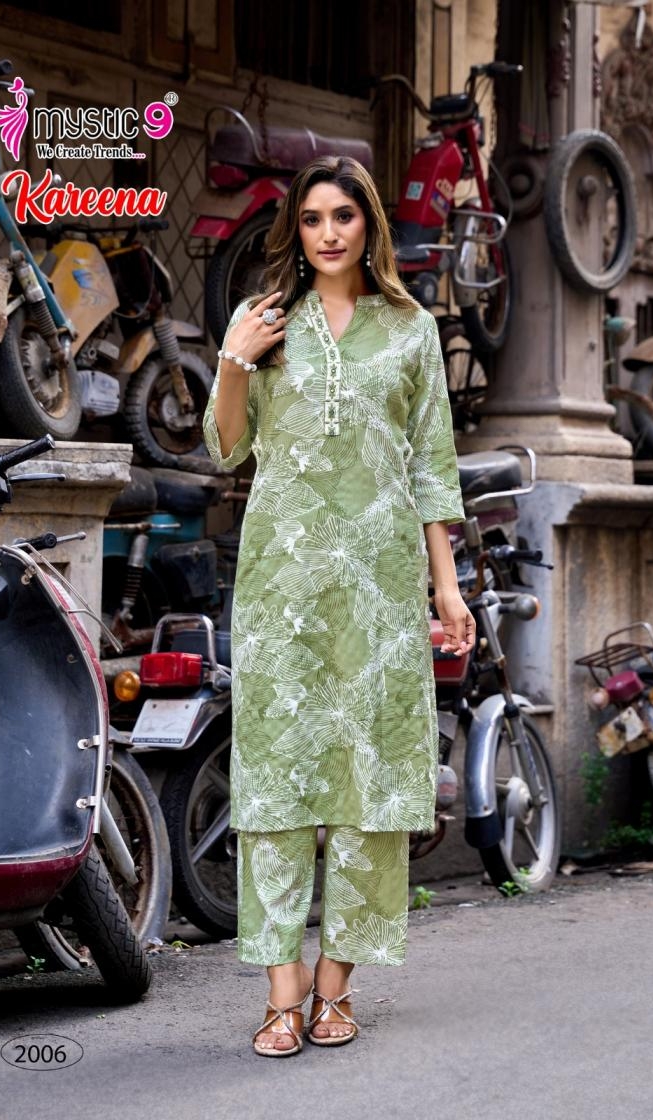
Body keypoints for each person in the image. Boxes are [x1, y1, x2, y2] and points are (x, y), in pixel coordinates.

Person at [203, 155, 474, 1058]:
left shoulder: (411, 329)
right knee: (277, 780)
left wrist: (445, 584)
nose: (327, 233)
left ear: (369, 228)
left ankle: (335, 985)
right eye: (313, 218)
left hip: (381, 587)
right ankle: (281, 990)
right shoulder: (265, 320)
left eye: (343, 217)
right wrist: (235, 361)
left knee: (372, 782)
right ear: (297, 229)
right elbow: (226, 448)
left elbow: (432, 462)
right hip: (281, 586)